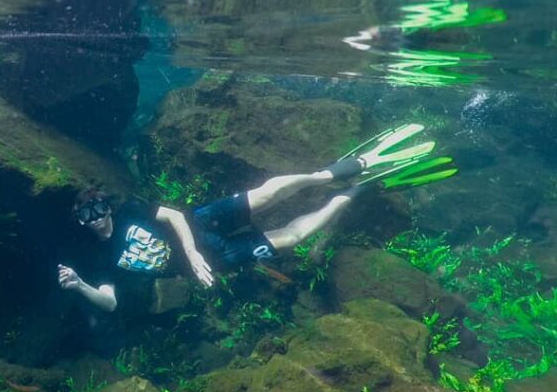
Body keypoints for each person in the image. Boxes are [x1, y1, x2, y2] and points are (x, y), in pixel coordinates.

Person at [58, 123, 456, 312]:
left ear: (107, 206)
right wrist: (78, 285)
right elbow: (109, 302)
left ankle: (331, 173)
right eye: (85, 216)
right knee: (290, 238)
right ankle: (352, 194)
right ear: (81, 222)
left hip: (201, 224)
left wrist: (192, 253)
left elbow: (175, 217)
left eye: (97, 209)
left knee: (267, 193)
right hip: (218, 262)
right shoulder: (98, 260)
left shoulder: (128, 209)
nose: (95, 219)